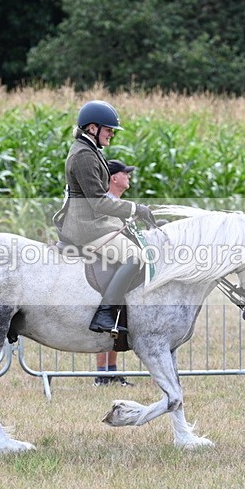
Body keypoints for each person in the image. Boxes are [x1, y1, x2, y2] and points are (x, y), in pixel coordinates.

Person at [54, 99, 155, 336]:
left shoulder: (90, 150)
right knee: (135, 257)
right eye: (108, 129)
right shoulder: (83, 155)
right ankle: (105, 314)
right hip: (86, 227)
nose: (112, 134)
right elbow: (98, 201)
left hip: (95, 222)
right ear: (92, 128)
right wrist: (134, 209)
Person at [94, 159, 137, 387]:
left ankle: (111, 370)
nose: (128, 177)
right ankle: (102, 373)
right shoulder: (107, 203)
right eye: (125, 173)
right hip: (106, 264)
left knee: (118, 317)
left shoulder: (119, 203)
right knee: (110, 312)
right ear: (114, 178)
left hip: (118, 262)